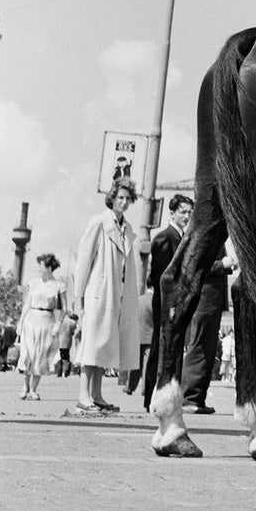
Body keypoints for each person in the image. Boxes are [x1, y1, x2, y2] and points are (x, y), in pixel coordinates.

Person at [72, 177, 142, 415]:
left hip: (117, 295)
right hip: (98, 293)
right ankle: (83, 394)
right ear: (111, 199)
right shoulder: (99, 222)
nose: (123, 202)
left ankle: (97, 394)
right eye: (119, 198)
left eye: (126, 198)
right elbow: (83, 261)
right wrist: (78, 297)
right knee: (92, 343)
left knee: (105, 344)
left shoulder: (128, 229)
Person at [142, 193, 192, 412]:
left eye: (190, 212)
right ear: (172, 213)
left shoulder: (183, 238)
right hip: (165, 302)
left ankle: (168, 396)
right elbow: (161, 276)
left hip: (177, 302)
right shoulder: (164, 238)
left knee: (172, 349)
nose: (187, 216)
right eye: (183, 212)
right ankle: (151, 396)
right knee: (159, 348)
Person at [182, 238, 233, 416]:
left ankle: (197, 398)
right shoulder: (206, 236)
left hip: (211, 302)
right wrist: (222, 264)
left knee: (207, 350)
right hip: (204, 301)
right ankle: (189, 398)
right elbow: (195, 265)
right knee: (199, 348)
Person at [16, 253, 65, 400]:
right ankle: (25, 386)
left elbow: (64, 309)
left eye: (41, 265)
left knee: (41, 355)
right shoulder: (34, 283)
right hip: (31, 319)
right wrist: (20, 321)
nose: (38, 268)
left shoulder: (58, 286)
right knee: (27, 354)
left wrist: (58, 324)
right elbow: (27, 304)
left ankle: (34, 389)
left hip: (47, 321)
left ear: (49, 268)